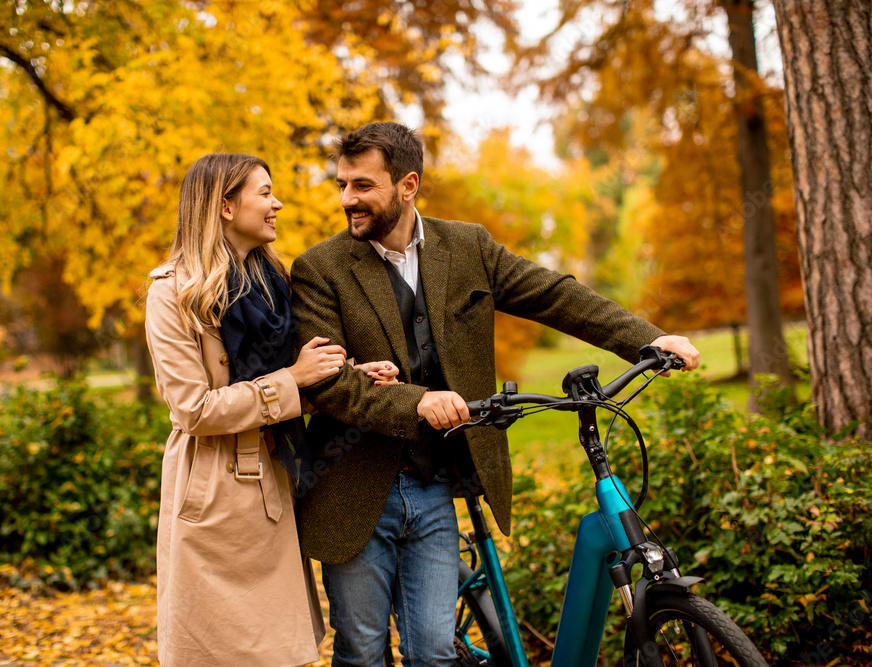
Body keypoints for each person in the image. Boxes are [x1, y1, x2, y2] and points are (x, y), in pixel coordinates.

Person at [289, 122, 702, 666]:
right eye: (342, 184)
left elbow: (554, 295)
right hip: (353, 488)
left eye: (362, 185)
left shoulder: (467, 247)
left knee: (434, 653)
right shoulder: (319, 269)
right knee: (362, 652)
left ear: (408, 185)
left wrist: (646, 339)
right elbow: (327, 382)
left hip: (435, 485)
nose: (347, 198)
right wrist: (415, 400)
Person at [143, 153, 398, 667]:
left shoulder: (270, 285)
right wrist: (295, 378)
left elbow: (290, 383)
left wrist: (349, 375)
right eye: (264, 193)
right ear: (225, 207)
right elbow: (194, 409)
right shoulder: (172, 293)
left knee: (276, 650)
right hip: (212, 490)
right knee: (221, 653)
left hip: (272, 479)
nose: (277, 203)